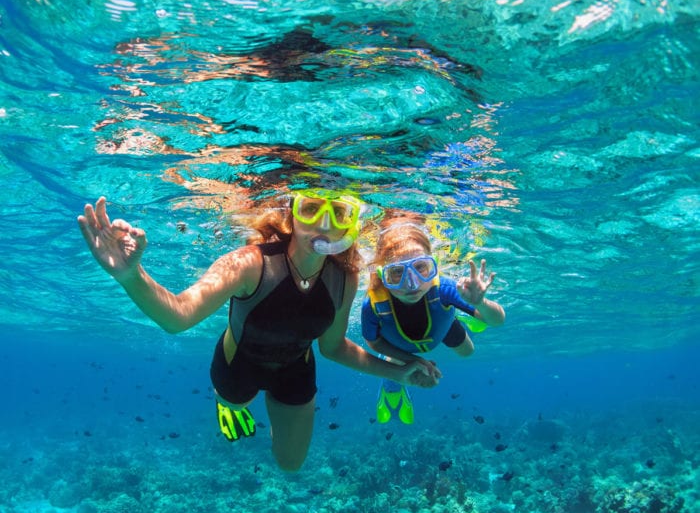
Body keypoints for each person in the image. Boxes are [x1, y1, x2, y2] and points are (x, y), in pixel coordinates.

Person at [77, 191, 437, 471]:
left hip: (296, 368)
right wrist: (130, 275)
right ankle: (228, 405)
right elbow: (178, 316)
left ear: (349, 224)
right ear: (291, 215)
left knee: (291, 464)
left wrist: (400, 371)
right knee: (235, 402)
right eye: (311, 209)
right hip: (239, 364)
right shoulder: (250, 263)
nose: (324, 225)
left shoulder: (345, 277)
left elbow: (333, 348)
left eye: (338, 213)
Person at [361, 214, 505, 425]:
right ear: (382, 276)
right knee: (395, 367)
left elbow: (498, 320)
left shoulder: (445, 288)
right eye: (397, 273)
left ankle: (467, 313)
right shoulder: (373, 305)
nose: (411, 284)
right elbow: (373, 342)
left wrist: (480, 303)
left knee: (468, 352)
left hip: (442, 326)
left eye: (420, 268)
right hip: (399, 344)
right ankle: (392, 389)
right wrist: (413, 360)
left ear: (434, 266)